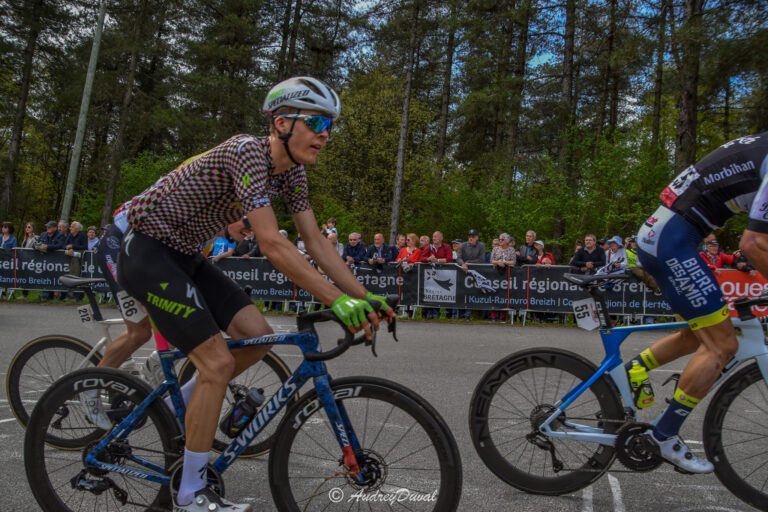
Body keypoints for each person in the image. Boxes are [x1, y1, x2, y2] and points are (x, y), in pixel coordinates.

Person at [117, 76, 393, 512]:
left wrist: (366, 295)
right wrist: (336, 300)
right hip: (148, 250)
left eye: (330, 125)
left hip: (186, 254)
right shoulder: (247, 151)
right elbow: (271, 242)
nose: (325, 133)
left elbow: (317, 242)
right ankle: (189, 493)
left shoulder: (293, 174)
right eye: (317, 121)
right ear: (282, 122)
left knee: (257, 337)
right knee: (218, 363)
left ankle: (176, 405)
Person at [633, 132, 768, 474]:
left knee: (706, 333)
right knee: (723, 345)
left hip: (670, 236)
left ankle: (635, 368)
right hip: (672, 241)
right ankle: (663, 435)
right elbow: (753, 244)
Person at [457, 229, 486, 320]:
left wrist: (469, 262)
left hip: (475, 272)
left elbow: (481, 259)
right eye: (469, 236)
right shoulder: (463, 246)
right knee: (461, 292)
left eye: (473, 236)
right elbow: (458, 258)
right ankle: (460, 315)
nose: (471, 238)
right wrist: (463, 264)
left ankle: (468, 315)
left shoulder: (481, 246)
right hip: (463, 271)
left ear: (477, 237)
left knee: (471, 293)